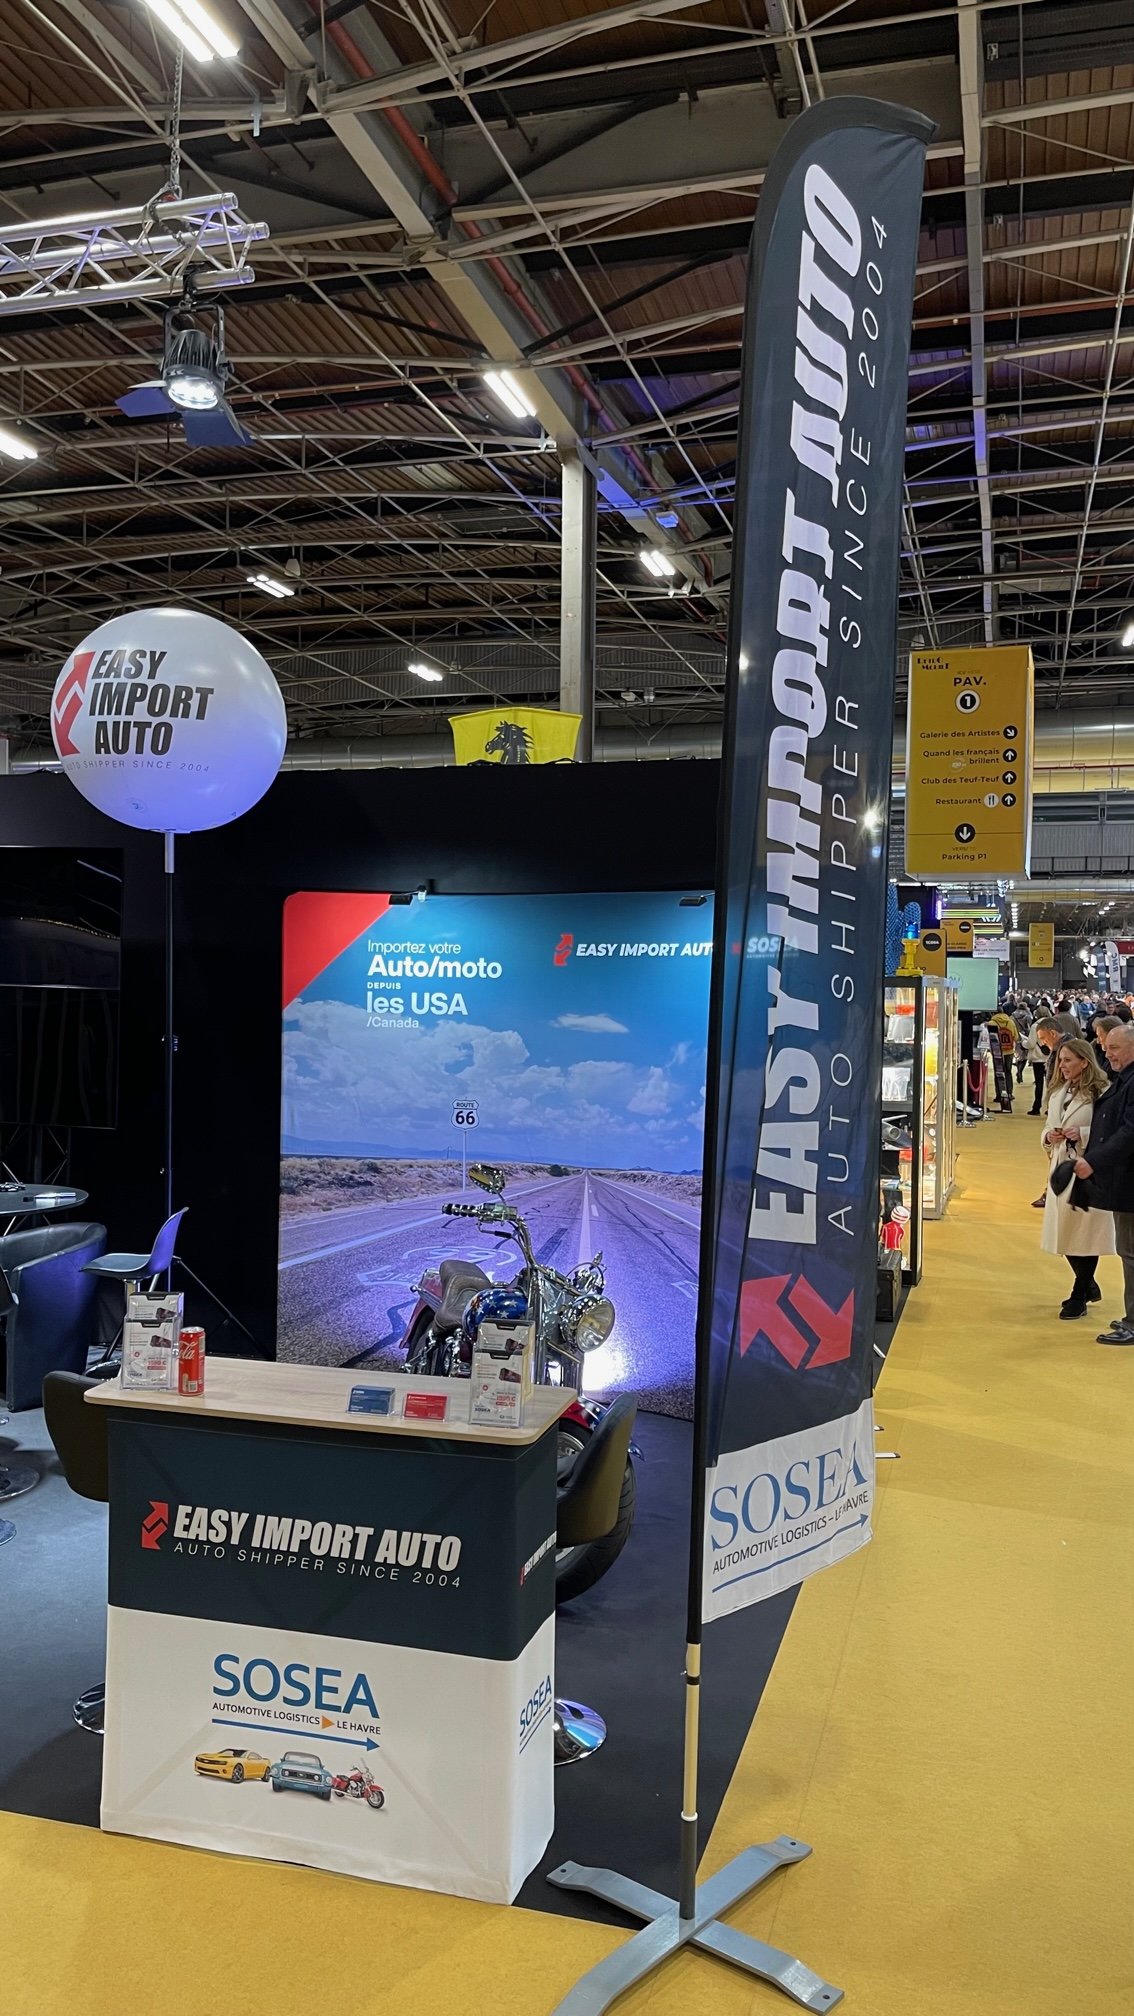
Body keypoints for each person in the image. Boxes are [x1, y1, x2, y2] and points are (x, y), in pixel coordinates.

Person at [1040, 1040, 1115, 1319]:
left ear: (1085, 1062)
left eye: (1068, 1060)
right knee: (1065, 1231)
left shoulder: (1102, 1092)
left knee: (1086, 1234)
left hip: (1089, 1170)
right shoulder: (1058, 1092)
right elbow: (1047, 1126)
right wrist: (1049, 1136)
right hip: (1062, 1169)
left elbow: (1110, 1132)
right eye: (1061, 1060)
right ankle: (1088, 1285)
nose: (1062, 1065)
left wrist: (1081, 1133)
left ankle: (1079, 1292)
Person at [1072, 1019, 1134, 1343]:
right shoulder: (1124, 1078)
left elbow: (1129, 1132)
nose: (1107, 1053)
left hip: (1129, 1181)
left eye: (1114, 1048)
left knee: (1131, 1252)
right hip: (1122, 1180)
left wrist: (1093, 1160)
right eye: (1106, 1047)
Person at [1022, 1019, 1049, 1114]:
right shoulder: (1052, 1024)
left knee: (1039, 1084)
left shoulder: (1035, 1027)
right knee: (1051, 1084)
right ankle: (1051, 1107)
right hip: (1049, 1059)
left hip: (1038, 1059)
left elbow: (1031, 1044)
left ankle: (1036, 1107)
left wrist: (1023, 1043)